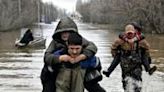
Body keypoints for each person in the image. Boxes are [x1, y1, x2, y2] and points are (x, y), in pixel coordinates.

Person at [40, 17, 105, 92]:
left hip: (78, 69)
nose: (65, 35)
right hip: (57, 71)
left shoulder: (78, 40)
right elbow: (47, 57)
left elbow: (92, 47)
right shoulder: (55, 42)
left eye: (68, 32)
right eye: (63, 32)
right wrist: (60, 58)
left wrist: (82, 56)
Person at [103, 24, 152, 92]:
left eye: (131, 33)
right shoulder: (120, 41)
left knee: (137, 84)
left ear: (134, 32)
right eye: (128, 33)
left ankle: (148, 70)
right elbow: (113, 48)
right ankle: (109, 71)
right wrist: (115, 55)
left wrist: (147, 57)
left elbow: (147, 48)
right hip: (125, 66)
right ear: (125, 33)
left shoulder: (140, 41)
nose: (130, 35)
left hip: (136, 65)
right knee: (126, 84)